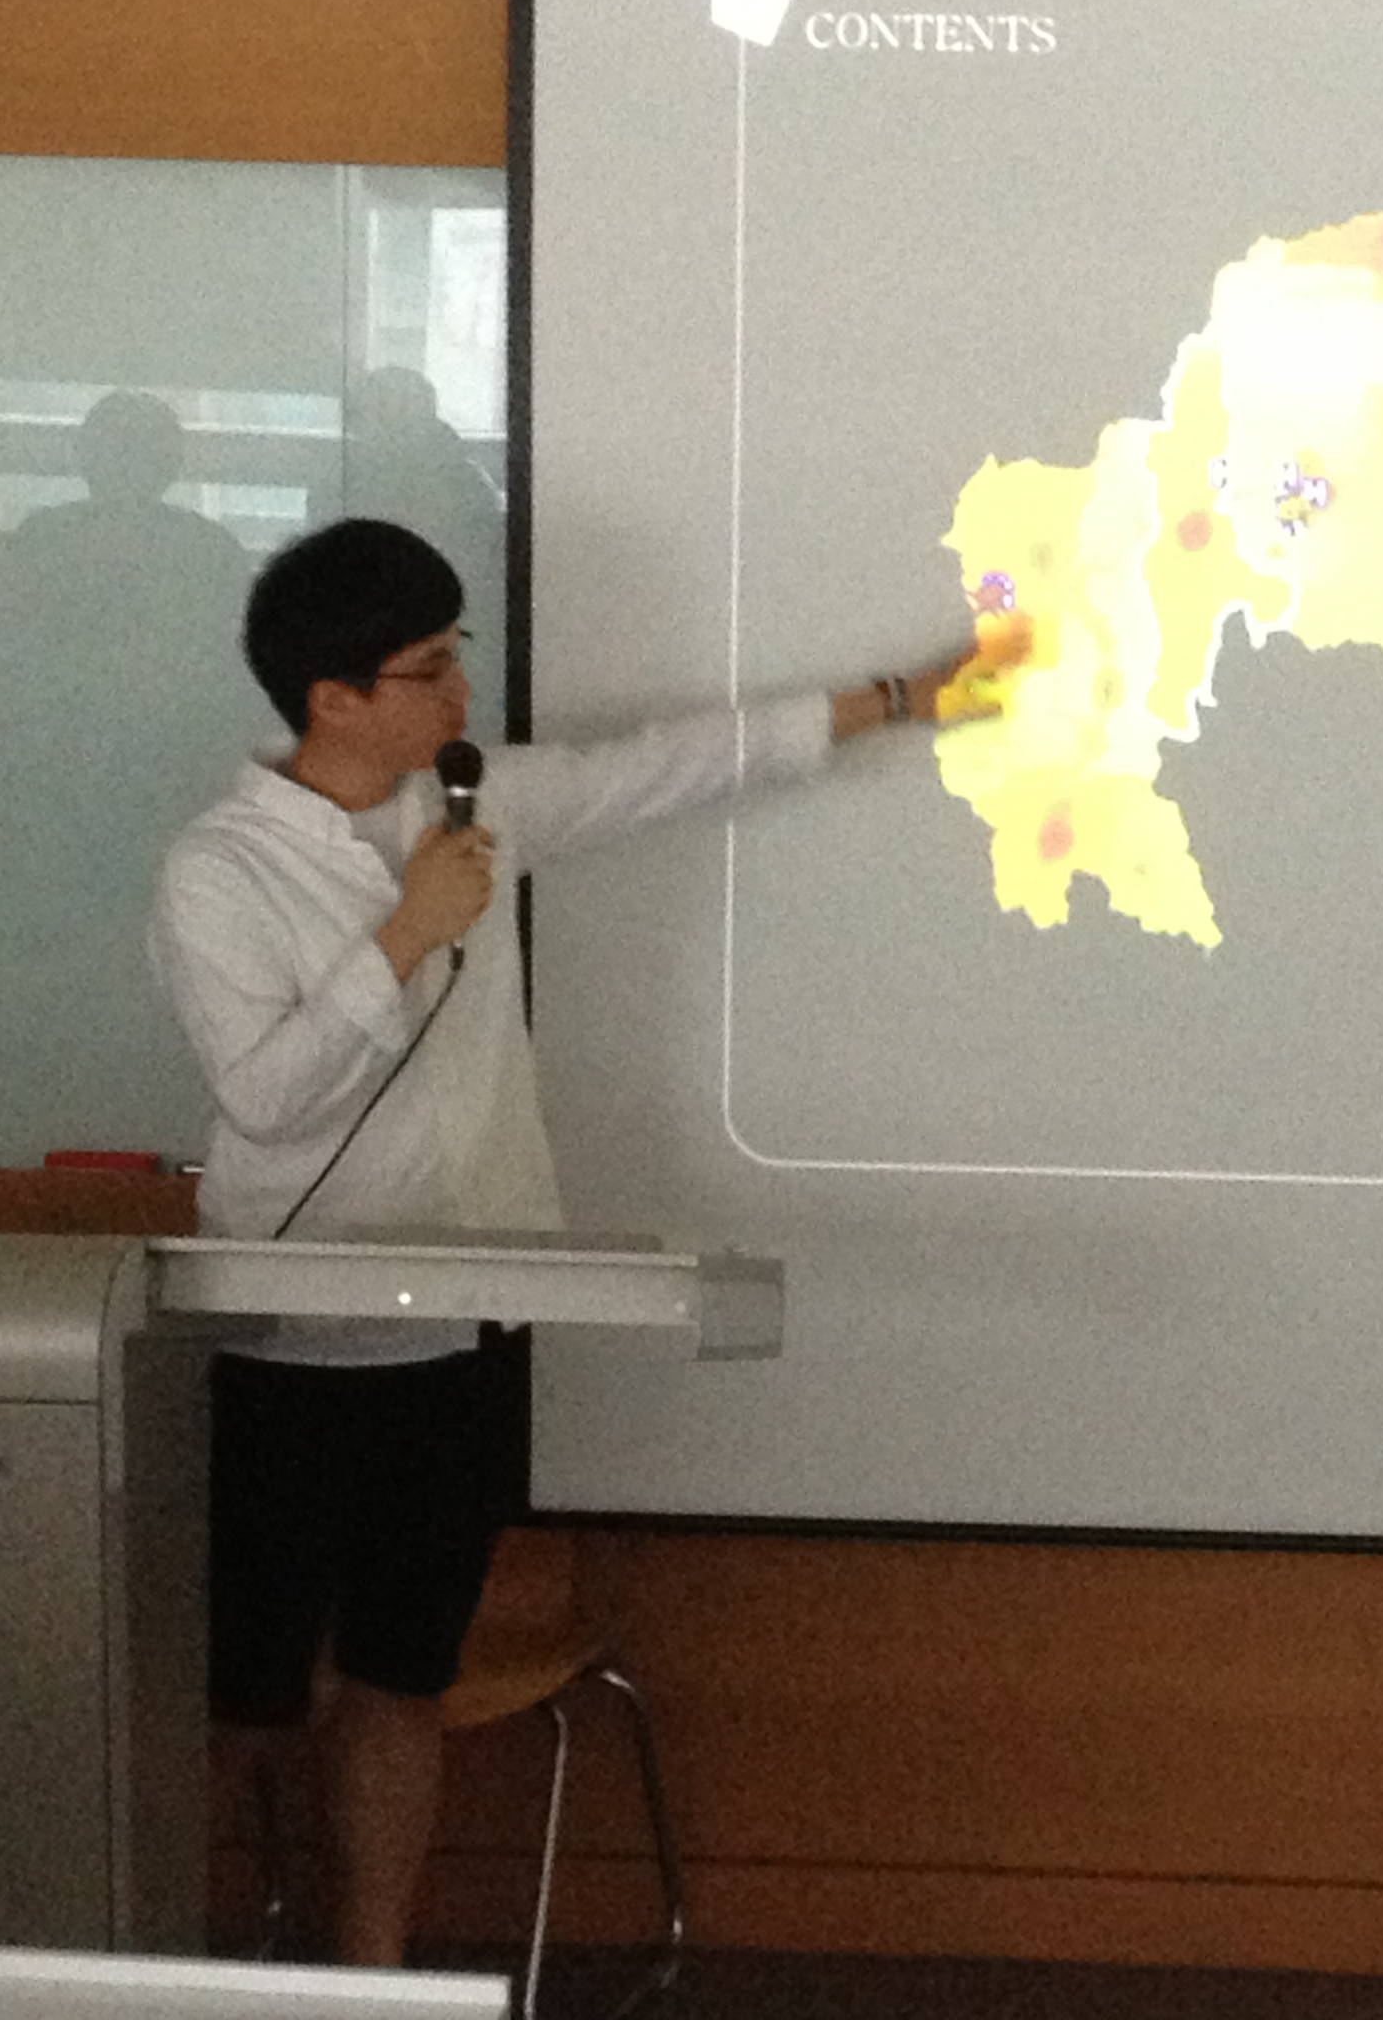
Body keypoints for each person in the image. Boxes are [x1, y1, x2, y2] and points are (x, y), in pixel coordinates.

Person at [148, 516, 1017, 1966]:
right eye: (427, 668)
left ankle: (373, 1976)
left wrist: (900, 698)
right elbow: (264, 1099)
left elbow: (668, 765)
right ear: (332, 698)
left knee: (401, 1681)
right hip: (282, 1351)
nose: (461, 692)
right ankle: (149, 1965)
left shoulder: (472, 801)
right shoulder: (219, 870)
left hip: (460, 1340)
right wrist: (404, 935)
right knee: (242, 1697)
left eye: (458, 654)